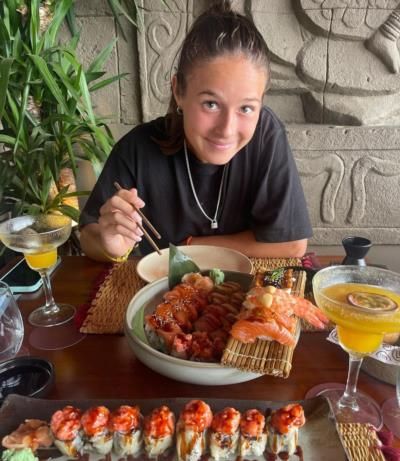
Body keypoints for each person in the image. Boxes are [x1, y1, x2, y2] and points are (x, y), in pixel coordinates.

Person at [79, 0, 312, 262]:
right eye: (211, 104)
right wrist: (110, 243)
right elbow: (88, 235)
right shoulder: (138, 148)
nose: (227, 129)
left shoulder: (266, 133)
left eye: (246, 108)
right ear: (178, 90)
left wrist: (192, 245)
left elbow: (292, 245)